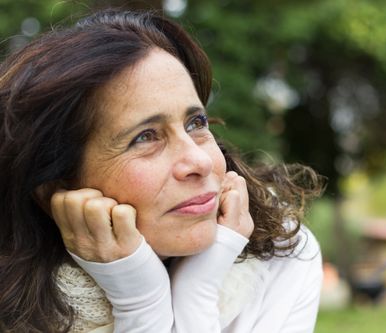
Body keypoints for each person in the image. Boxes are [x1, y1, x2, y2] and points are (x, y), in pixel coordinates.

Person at [0, 9, 324, 333]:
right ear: (57, 189)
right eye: (145, 137)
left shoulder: (283, 256)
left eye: (196, 123)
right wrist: (142, 306)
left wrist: (196, 291)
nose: (200, 162)